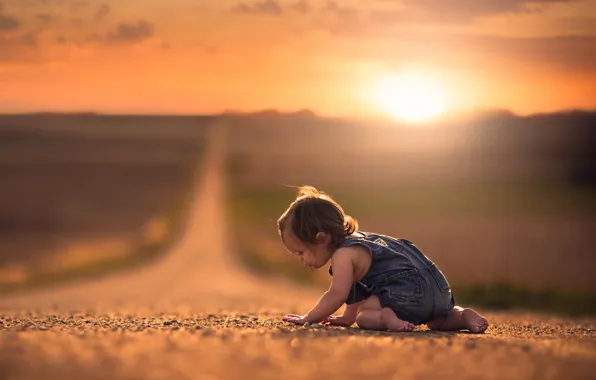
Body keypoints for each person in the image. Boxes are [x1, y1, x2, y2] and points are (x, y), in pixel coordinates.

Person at [279, 186, 489, 333]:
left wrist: (309, 318)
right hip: (440, 291)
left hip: (407, 295)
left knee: (364, 317)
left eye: (300, 252)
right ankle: (462, 316)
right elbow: (357, 290)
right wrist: (346, 317)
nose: (301, 260)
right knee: (437, 321)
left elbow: (337, 294)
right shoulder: (363, 240)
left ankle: (387, 317)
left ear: (321, 239)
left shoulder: (342, 254)